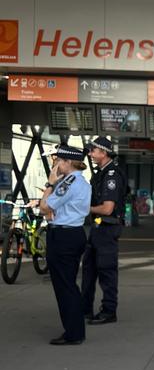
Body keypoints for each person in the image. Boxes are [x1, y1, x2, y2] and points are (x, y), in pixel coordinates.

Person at [39, 145, 91, 345]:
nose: (56, 165)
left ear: (68, 162)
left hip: (63, 237)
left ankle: (74, 333)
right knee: (68, 283)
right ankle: (75, 330)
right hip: (74, 233)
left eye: (58, 161)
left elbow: (46, 207)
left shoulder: (67, 183)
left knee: (65, 286)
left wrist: (49, 184)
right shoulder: (82, 182)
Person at [81, 136, 126, 325]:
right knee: (89, 270)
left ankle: (109, 311)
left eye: (93, 150)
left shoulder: (111, 175)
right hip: (97, 227)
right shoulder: (100, 173)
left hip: (107, 227)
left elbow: (107, 208)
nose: (90, 154)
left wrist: (83, 208)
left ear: (104, 152)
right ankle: (85, 310)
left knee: (106, 271)